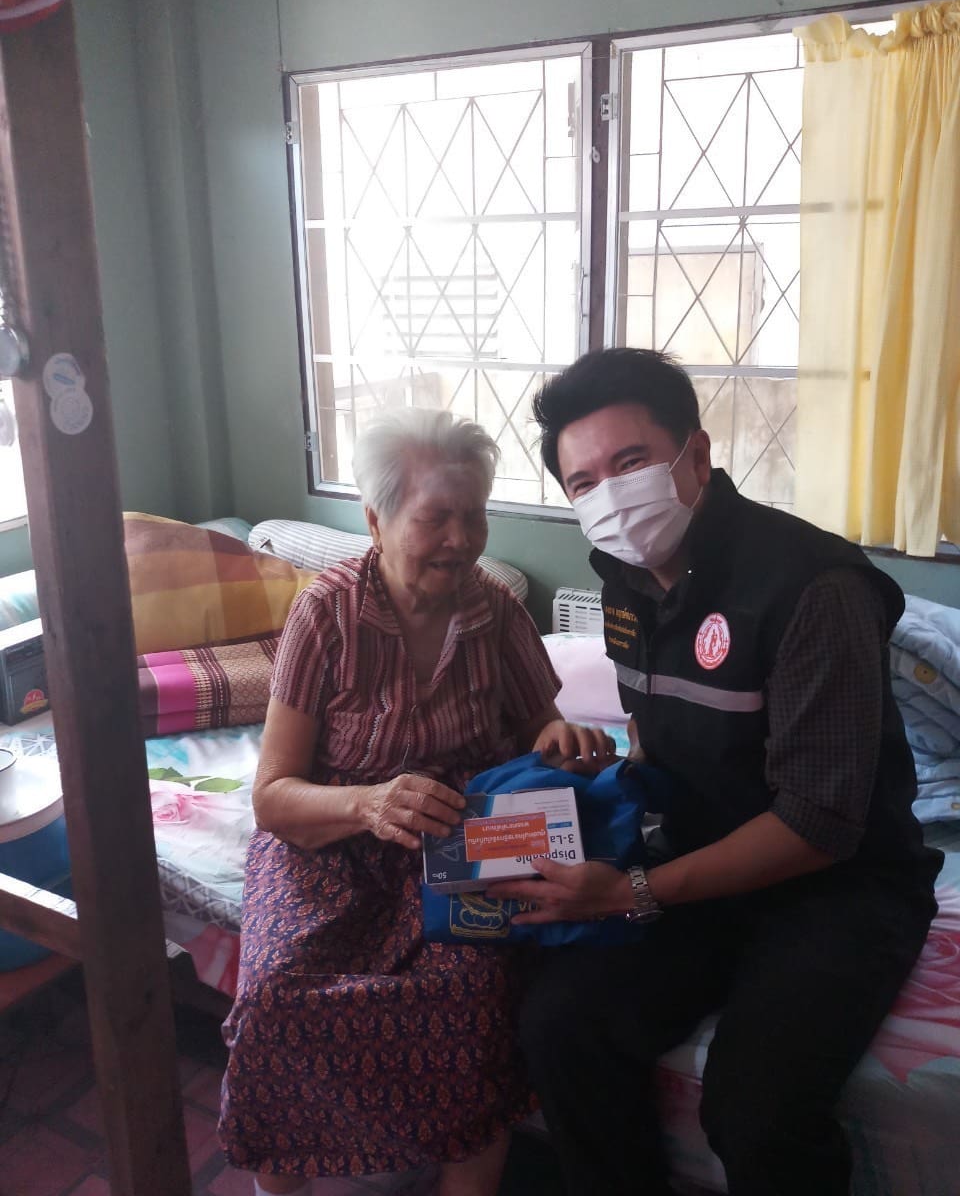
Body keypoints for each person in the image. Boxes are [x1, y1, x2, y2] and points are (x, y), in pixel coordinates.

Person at [490, 348, 943, 1196]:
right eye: (583, 482)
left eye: (630, 462)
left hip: (838, 886)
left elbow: (819, 824)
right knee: (561, 1023)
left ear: (695, 455)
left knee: (756, 1105)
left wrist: (628, 892)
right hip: (700, 858)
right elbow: (652, 723)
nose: (610, 496)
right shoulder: (623, 584)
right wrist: (612, 779)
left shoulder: (813, 588)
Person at [218, 408, 613, 1196]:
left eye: (475, 516)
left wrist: (562, 738)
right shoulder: (325, 613)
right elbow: (272, 797)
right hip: (330, 841)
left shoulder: (494, 611)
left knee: (473, 1002)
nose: (462, 541)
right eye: (436, 518)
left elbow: (540, 726)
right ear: (376, 519)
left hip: (460, 841)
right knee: (275, 999)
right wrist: (369, 804)